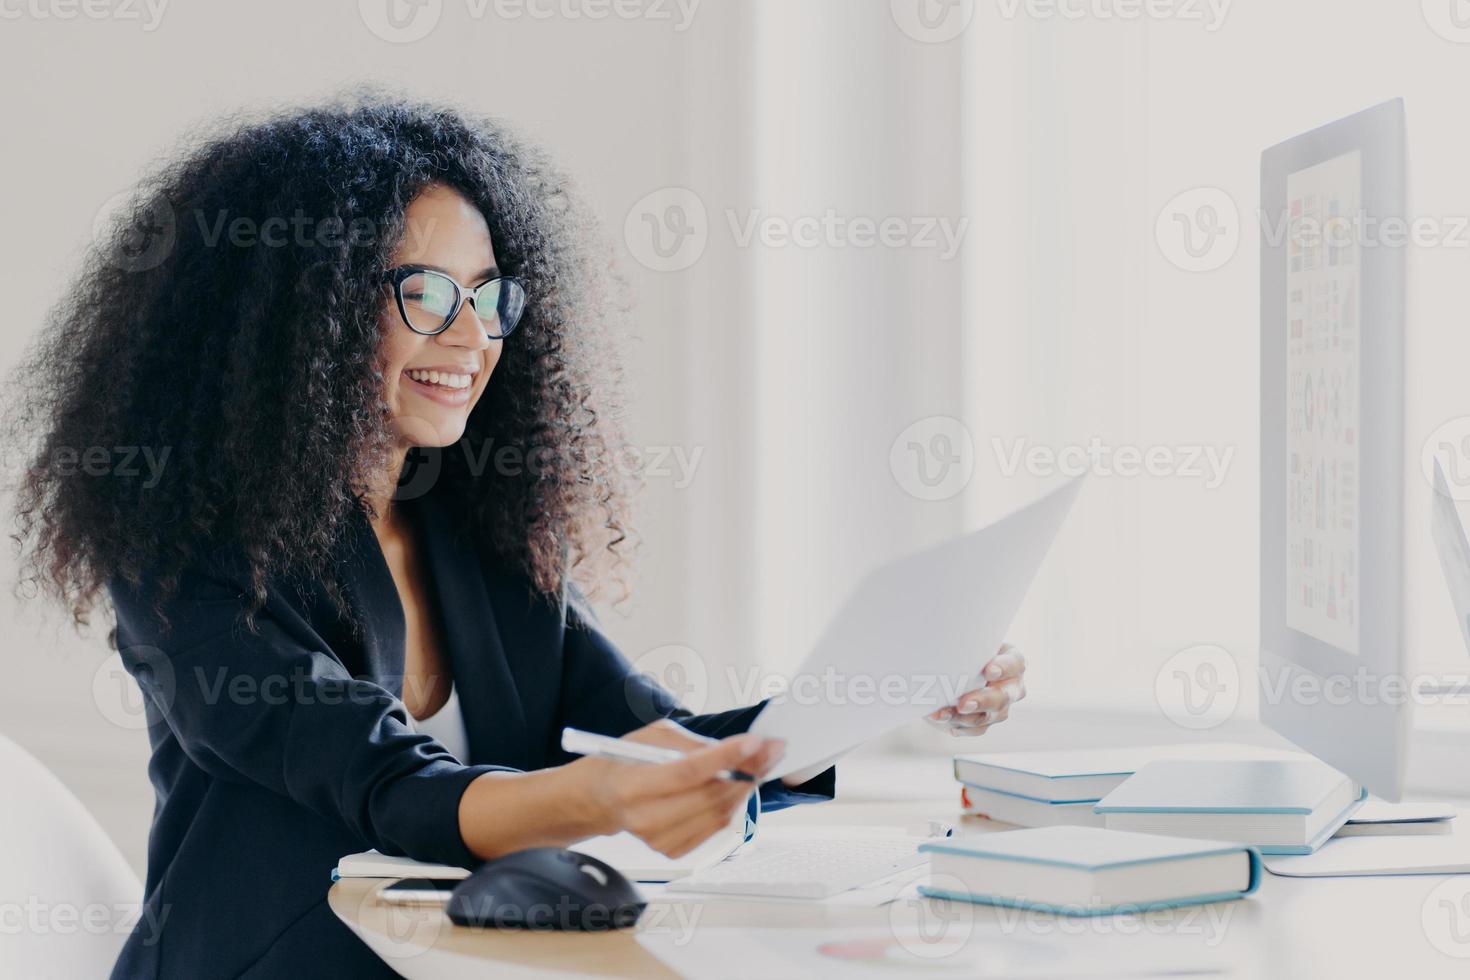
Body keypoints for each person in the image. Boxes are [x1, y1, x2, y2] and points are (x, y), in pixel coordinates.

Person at [8, 95, 1027, 979]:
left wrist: (888, 686)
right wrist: (598, 797)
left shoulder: (475, 529)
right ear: (298, 312)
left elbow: (647, 734)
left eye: (490, 294)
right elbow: (387, 784)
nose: (474, 334)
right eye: (426, 292)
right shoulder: (184, 553)